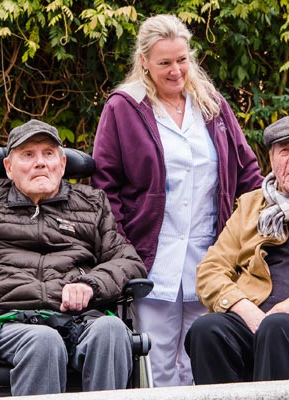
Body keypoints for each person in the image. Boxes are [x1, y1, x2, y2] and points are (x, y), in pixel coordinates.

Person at [90, 14, 263, 387]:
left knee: (203, 358)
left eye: (182, 60)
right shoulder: (124, 107)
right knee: (156, 367)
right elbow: (105, 187)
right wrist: (122, 249)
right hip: (151, 260)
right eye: (165, 63)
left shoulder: (212, 106)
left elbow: (247, 171)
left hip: (211, 256)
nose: (175, 71)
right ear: (144, 63)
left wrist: (253, 233)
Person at [0, 119, 145, 395]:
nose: (40, 163)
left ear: (62, 164)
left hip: (78, 320)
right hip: (7, 323)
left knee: (112, 330)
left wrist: (91, 283)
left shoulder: (92, 204)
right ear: (8, 167)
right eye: (28, 155)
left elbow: (129, 263)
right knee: (43, 341)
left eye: (48, 154)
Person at [184, 114, 289, 384]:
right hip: (256, 314)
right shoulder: (251, 206)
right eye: (284, 150)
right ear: (272, 161)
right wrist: (244, 308)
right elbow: (210, 271)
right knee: (206, 329)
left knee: (277, 327)